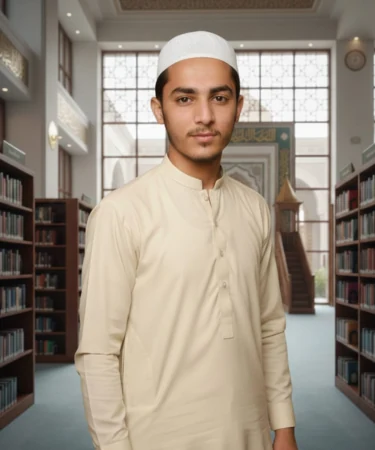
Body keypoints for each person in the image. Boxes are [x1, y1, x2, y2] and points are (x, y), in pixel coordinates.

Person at [75, 30, 298, 450]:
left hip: (249, 432)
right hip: (155, 438)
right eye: (184, 98)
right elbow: (98, 354)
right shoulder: (122, 213)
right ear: (158, 109)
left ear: (238, 106)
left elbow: (270, 326)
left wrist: (283, 425)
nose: (204, 116)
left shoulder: (253, 208)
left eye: (219, 97)